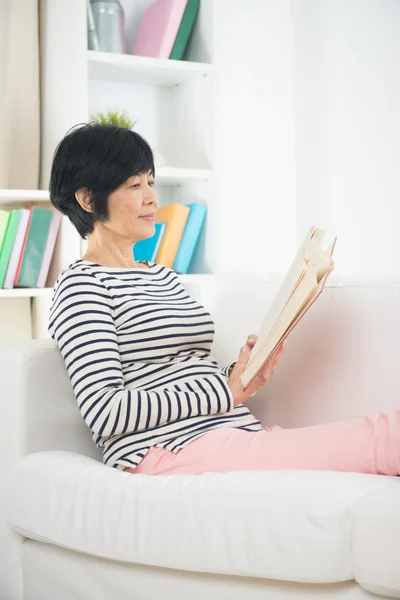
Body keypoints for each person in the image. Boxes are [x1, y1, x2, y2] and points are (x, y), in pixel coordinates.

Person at [48, 123, 400, 477]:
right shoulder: (82, 286)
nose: (152, 197)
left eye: (151, 182)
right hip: (166, 449)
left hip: (228, 435)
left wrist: (240, 375)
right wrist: (225, 390)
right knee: (382, 437)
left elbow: (185, 368)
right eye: (134, 185)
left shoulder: (162, 275)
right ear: (88, 199)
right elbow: (106, 411)